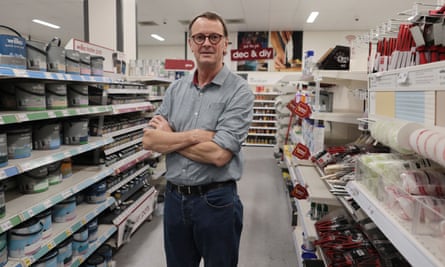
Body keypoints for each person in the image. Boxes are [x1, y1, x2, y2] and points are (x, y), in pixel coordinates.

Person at [142, 11, 254, 267]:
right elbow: (150, 140)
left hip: (216, 202)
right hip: (173, 199)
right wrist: (194, 136)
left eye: (214, 37)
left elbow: (219, 155)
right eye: (200, 37)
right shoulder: (175, 89)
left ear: (226, 44)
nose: (207, 43)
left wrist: (169, 137)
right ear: (191, 44)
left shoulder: (239, 91)